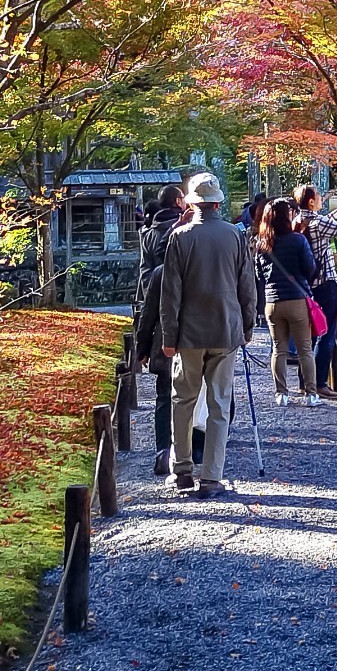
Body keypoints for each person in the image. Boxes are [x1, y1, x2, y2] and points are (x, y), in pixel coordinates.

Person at [159, 172, 258, 497]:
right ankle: (213, 475)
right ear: (218, 202)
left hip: (189, 332)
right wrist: (247, 326)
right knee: (219, 403)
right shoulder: (235, 235)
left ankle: (183, 470)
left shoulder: (180, 237)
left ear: (191, 203)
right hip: (226, 330)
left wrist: (169, 337)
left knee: (183, 400)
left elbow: (170, 293)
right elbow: (247, 286)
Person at [133, 183, 188, 476]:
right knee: (191, 392)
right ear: (179, 202)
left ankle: (162, 450)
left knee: (164, 395)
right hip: (187, 323)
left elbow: (144, 277)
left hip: (156, 315)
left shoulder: (147, 233)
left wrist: (142, 343)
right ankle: (191, 450)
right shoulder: (184, 232)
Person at [295, 184, 337, 394]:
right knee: (326, 331)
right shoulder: (318, 222)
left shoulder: (297, 221)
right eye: (319, 197)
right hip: (326, 283)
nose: (322, 199)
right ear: (311, 202)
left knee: (308, 334)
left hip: (306, 285)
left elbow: (324, 225)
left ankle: (305, 380)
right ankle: (320, 382)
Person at [255, 198, 320, 406]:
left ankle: (281, 393)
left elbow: (259, 275)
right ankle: (310, 393)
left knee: (278, 348)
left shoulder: (262, 243)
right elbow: (309, 268)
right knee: (304, 348)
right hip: (296, 299)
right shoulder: (298, 240)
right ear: (287, 216)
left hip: (272, 300)